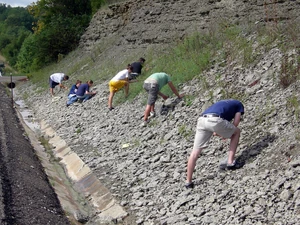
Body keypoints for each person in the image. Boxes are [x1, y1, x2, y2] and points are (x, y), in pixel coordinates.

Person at [186, 99, 244, 189]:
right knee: (237, 132)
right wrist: (227, 134)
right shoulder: (239, 104)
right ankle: (230, 163)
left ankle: (188, 182)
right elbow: (235, 123)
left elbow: (215, 131)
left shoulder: (222, 104)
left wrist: (223, 134)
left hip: (202, 120)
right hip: (215, 120)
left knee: (194, 152)